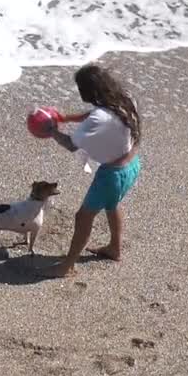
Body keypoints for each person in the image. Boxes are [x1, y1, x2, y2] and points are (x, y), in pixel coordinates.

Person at [43, 64, 142, 277]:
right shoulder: (124, 98)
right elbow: (96, 113)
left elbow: (71, 144)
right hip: (132, 164)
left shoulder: (99, 118)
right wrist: (67, 118)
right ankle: (114, 248)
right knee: (112, 203)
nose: (79, 92)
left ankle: (66, 266)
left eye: (80, 88)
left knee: (83, 217)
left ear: (88, 90)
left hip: (112, 176)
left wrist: (52, 131)